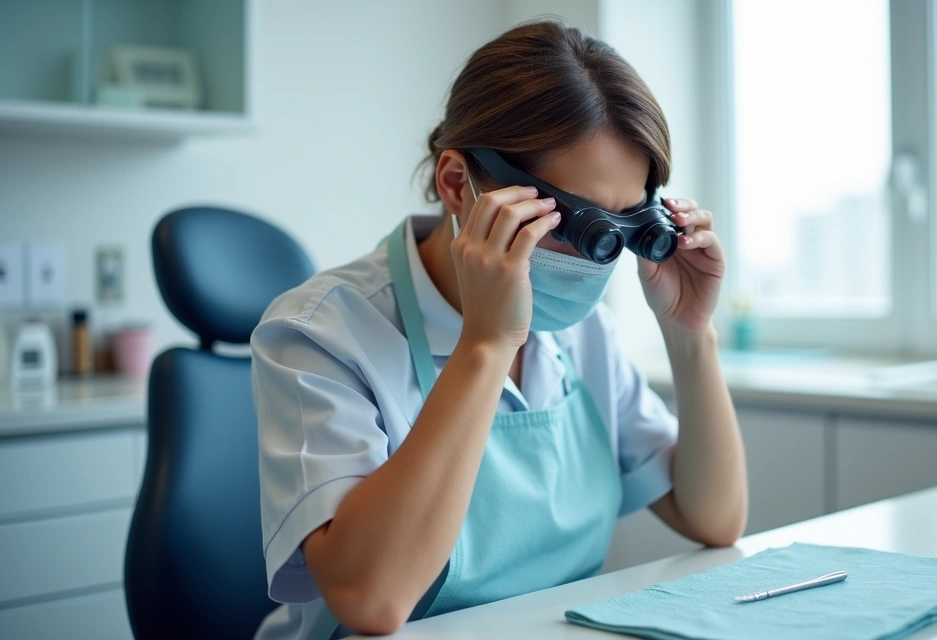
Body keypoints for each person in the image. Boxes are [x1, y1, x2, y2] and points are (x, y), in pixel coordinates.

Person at [251, 20, 747, 639]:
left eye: (623, 229)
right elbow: (369, 599)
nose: (592, 259)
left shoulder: (582, 334)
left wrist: (689, 334)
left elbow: (716, 517)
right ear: (459, 183)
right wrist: (486, 345)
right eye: (573, 223)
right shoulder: (323, 332)